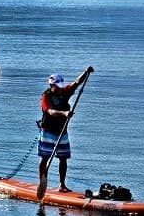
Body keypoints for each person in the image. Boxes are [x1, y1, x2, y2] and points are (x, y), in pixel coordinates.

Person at [36, 66, 93, 200]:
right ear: (51, 85)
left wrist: (85, 72)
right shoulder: (45, 97)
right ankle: (42, 182)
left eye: (61, 85)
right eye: (57, 86)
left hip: (62, 131)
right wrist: (65, 113)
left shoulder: (64, 92)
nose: (60, 88)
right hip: (48, 132)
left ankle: (62, 184)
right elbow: (50, 111)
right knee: (45, 158)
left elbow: (77, 83)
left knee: (63, 158)